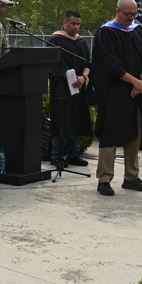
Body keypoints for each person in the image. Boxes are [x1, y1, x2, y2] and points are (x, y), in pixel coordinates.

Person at [91, 0, 142, 196]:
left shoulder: (136, 30)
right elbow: (110, 64)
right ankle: (104, 179)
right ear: (117, 10)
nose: (132, 18)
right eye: (128, 14)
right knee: (110, 135)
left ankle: (131, 177)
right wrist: (133, 81)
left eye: (134, 14)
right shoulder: (106, 33)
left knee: (134, 134)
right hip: (114, 91)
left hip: (135, 91)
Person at [48, 10, 93, 167]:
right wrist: (71, 78)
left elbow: (88, 63)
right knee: (60, 121)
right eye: (73, 23)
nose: (77, 27)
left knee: (75, 120)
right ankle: (56, 155)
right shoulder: (55, 41)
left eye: (79, 24)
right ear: (65, 22)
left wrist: (83, 77)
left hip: (78, 88)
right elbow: (56, 65)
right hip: (62, 89)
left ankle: (73, 154)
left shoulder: (80, 42)